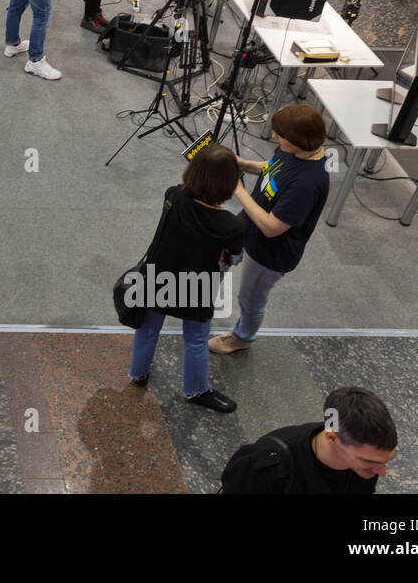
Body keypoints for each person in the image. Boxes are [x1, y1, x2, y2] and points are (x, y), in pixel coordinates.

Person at [128, 145, 246, 413]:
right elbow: (233, 258)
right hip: (196, 286)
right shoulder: (232, 225)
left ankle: (138, 374)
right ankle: (196, 390)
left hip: (158, 276)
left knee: (147, 329)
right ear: (229, 183)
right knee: (195, 339)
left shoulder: (173, 195)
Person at [209, 104, 330, 356]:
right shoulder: (297, 152)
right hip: (247, 227)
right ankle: (202, 304)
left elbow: (272, 228)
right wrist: (243, 164)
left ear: (298, 140)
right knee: (216, 259)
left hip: (270, 253)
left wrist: (239, 191)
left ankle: (242, 338)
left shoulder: (307, 184)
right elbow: (274, 166)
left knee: (250, 299)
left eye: (280, 135)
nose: (274, 137)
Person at [221, 387, 398, 493]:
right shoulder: (267, 466)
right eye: (367, 460)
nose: (382, 473)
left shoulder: (365, 461)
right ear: (331, 437)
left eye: (386, 461)